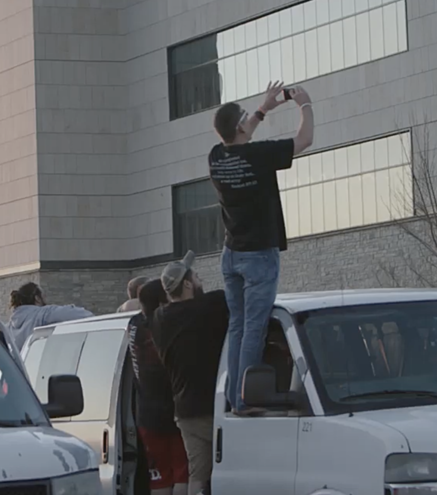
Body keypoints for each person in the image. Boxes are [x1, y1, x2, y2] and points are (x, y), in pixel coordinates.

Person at [209, 82, 314, 413]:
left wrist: (264, 108)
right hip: (258, 255)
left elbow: (242, 131)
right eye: (245, 119)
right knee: (254, 328)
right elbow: (304, 140)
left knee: (237, 327)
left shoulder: (217, 156)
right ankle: (244, 400)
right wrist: (305, 105)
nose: (249, 123)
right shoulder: (257, 156)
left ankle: (231, 397)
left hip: (232, 254)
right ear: (239, 127)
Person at [151, 251, 229, 495]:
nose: (200, 280)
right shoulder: (212, 305)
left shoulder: (159, 319)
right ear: (187, 283)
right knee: (233, 469)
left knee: (198, 474)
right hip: (217, 408)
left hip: (186, 411)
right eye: (196, 276)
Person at [127, 279, 188, 495]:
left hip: (146, 415)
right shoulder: (163, 326)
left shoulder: (134, 325)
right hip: (172, 411)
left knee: (159, 479)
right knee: (182, 474)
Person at [7, 282, 93, 351]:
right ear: (37, 298)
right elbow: (81, 314)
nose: (46, 299)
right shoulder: (42, 314)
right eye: (44, 296)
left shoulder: (9, 326)